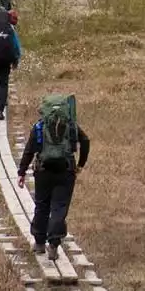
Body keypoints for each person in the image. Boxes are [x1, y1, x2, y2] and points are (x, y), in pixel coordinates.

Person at [16, 95, 90, 261]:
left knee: (42, 205)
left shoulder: (39, 127)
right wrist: (80, 164)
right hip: (66, 171)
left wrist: (21, 172)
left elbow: (29, 151)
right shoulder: (71, 126)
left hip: (43, 172)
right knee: (59, 207)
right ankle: (54, 244)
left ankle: (39, 243)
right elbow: (85, 141)